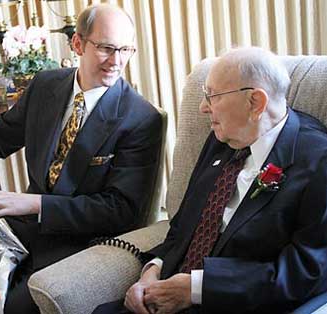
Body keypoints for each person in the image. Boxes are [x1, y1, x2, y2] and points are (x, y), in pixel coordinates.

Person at [0, 3, 162, 314]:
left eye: (126, 49)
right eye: (106, 48)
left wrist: (35, 204)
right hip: (25, 226)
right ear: (77, 43)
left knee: (14, 305)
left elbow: (122, 211)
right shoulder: (45, 85)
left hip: (82, 240)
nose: (117, 61)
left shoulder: (141, 118)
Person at [93, 47, 327, 314]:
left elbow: (304, 272)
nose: (203, 107)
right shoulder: (223, 138)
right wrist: (152, 271)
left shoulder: (318, 161)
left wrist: (196, 289)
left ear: (255, 103)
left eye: (212, 96)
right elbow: (183, 224)